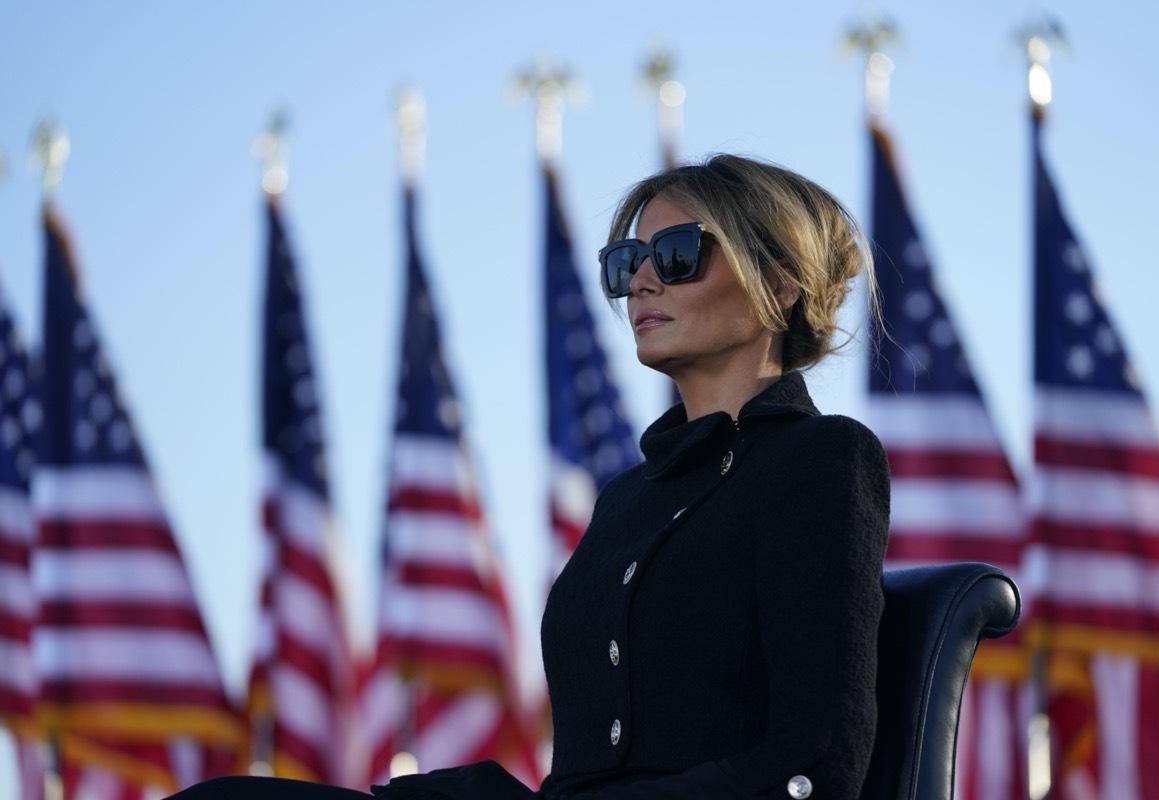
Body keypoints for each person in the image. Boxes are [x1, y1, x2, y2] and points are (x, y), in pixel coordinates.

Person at [170, 154, 890, 800]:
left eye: (676, 255)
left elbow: (815, 759)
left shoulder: (821, 459)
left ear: (780, 283)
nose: (640, 280)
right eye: (625, 261)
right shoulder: (627, 500)